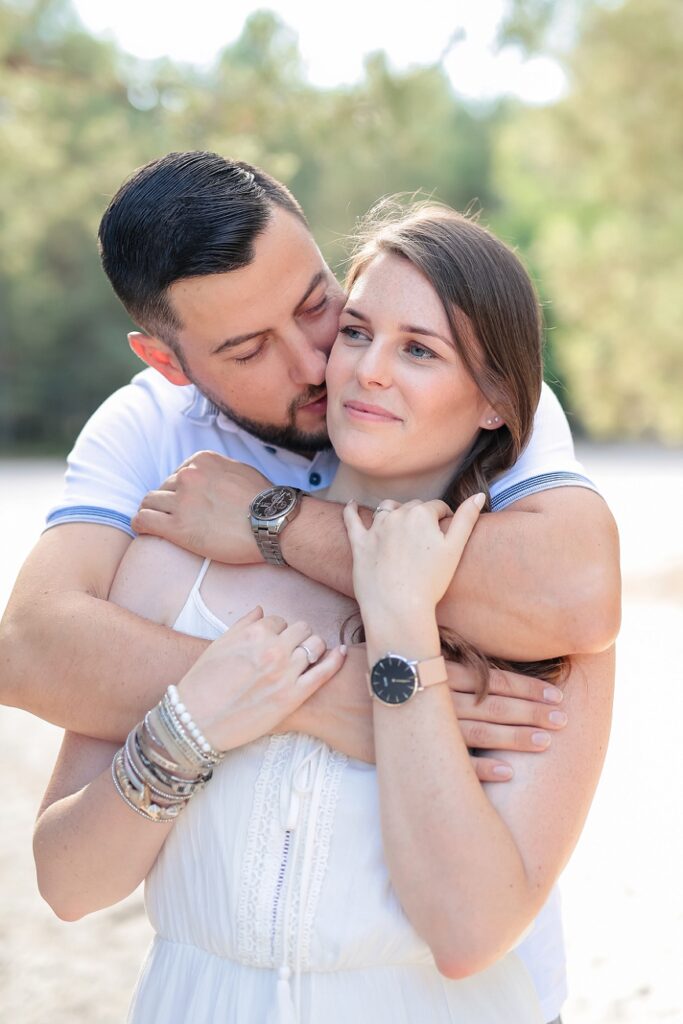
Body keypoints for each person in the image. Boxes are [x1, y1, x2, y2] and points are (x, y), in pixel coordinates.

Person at [0, 152, 619, 1021]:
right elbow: (28, 652)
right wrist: (268, 704)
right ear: (168, 361)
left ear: (491, 400)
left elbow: (579, 601)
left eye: (320, 308)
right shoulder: (160, 500)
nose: (329, 364)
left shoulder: (518, 559)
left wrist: (296, 537)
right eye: (250, 347)